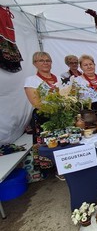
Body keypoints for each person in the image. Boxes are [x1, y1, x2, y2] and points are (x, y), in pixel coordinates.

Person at [24, 51, 64, 180]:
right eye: (41, 61)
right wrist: (54, 108)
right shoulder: (31, 80)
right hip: (44, 115)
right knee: (48, 142)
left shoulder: (58, 78)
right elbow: (36, 102)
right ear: (35, 63)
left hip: (61, 113)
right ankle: (50, 170)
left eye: (48, 60)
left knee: (62, 140)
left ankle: (63, 167)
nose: (45, 63)